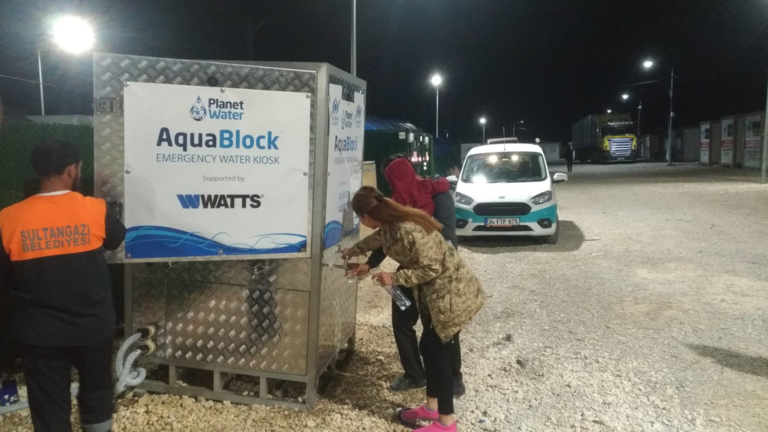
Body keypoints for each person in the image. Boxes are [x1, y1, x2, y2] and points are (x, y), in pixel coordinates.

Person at [0, 140, 126, 432]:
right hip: (93, 328)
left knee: (48, 402)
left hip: (39, 333)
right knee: (96, 393)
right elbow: (116, 238)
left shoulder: (7, 219)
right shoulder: (95, 209)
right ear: (72, 170)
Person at [343, 187, 484, 432]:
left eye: (359, 217)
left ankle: (446, 423)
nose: (361, 222)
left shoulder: (408, 229)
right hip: (436, 296)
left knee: (435, 350)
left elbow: (432, 268)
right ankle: (431, 408)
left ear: (366, 216)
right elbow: (377, 240)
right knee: (430, 348)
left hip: (451, 294)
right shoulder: (391, 224)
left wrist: (394, 278)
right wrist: (353, 251)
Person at [356, 158, 465, 396]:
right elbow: (386, 237)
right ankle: (414, 374)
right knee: (401, 322)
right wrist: (369, 264)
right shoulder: (394, 204)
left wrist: (414, 224)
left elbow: (447, 233)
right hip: (404, 276)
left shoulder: (439, 194)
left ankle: (453, 379)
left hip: (435, 275)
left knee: (441, 327)